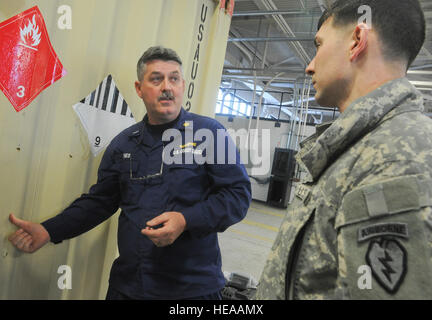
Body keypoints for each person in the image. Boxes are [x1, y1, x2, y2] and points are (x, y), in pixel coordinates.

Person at [8, 46, 252, 300]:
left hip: (192, 289)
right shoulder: (124, 144)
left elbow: (238, 196)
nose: (167, 87)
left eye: (174, 78)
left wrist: (185, 220)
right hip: (131, 286)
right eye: (156, 79)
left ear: (182, 85)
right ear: (139, 89)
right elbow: (99, 202)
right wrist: (49, 231)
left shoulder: (210, 134)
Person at [256, 0, 432, 299]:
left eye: (319, 44)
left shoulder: (398, 158)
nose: (309, 65)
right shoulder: (359, 148)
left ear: (357, 41)